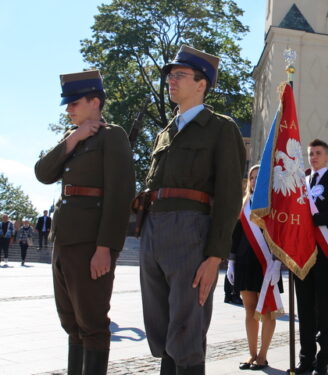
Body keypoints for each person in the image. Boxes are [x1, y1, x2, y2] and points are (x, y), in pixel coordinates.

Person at [139, 45, 245, 374]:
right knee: (162, 329)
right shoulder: (164, 134)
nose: (171, 80)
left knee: (187, 329)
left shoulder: (221, 128)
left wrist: (215, 257)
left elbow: (230, 197)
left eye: (180, 75)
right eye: (170, 75)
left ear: (202, 84)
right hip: (154, 230)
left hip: (191, 233)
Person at [35, 69, 135, 374]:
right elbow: (43, 173)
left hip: (90, 244)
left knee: (92, 324)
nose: (69, 109)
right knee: (71, 322)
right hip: (63, 243)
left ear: (95, 101)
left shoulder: (112, 136)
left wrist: (105, 247)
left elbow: (120, 195)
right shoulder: (75, 139)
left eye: (74, 102)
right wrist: (74, 138)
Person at [290, 139, 328, 375]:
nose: (313, 157)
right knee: (304, 309)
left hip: (324, 253)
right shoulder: (300, 182)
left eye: (318, 153)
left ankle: (323, 361)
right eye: (311, 153)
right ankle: (306, 359)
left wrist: (311, 219)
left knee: (324, 309)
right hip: (302, 253)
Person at [226, 164, 282, 370]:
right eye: (252, 177)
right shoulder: (244, 204)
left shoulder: (273, 205)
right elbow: (236, 234)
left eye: (259, 177)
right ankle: (251, 354)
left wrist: (277, 263)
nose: (255, 181)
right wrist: (231, 261)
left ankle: (263, 355)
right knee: (249, 310)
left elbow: (279, 236)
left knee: (267, 310)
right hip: (244, 262)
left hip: (266, 263)